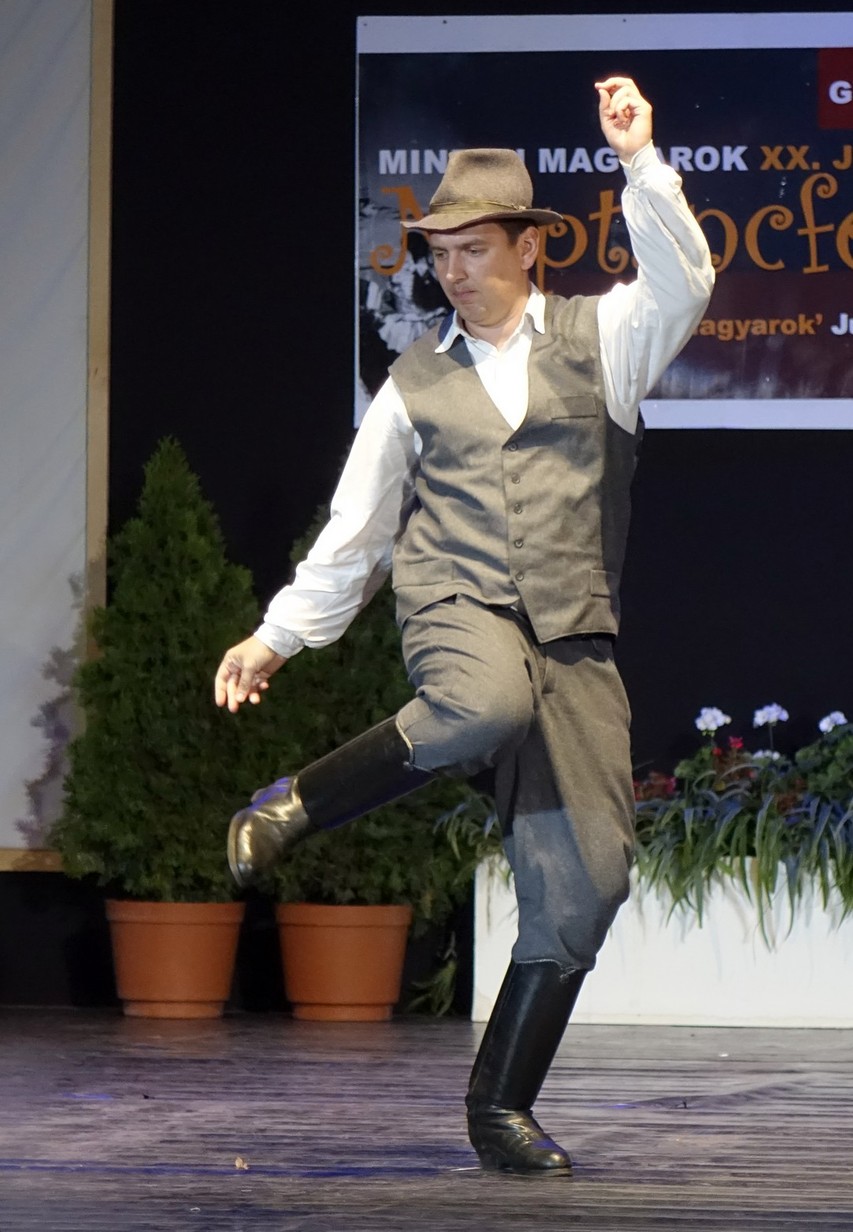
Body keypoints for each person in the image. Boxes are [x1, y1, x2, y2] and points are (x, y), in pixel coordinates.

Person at [214, 76, 715, 1177]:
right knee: (479, 702)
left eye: (474, 249)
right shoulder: (412, 382)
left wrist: (638, 160)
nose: (453, 269)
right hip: (456, 602)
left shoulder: (605, 339)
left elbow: (685, 280)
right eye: (439, 252)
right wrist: (275, 637)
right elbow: (357, 532)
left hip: (572, 632)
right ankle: (295, 801)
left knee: (589, 882)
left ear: (527, 247)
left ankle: (498, 1108)